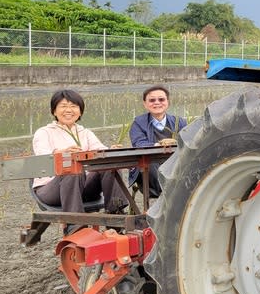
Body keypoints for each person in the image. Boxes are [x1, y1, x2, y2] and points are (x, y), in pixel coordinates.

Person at [32, 89, 129, 233]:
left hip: (83, 186)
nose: (68, 110)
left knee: (109, 166)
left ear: (80, 111)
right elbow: (43, 155)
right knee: (72, 169)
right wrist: (61, 153)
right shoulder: (44, 132)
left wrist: (110, 150)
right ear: (54, 111)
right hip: (51, 189)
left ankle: (116, 217)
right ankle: (75, 225)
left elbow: (100, 150)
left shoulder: (85, 133)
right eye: (63, 106)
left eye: (73, 106)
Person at [128, 85, 187, 198]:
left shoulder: (180, 122)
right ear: (145, 104)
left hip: (176, 167)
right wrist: (159, 145)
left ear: (168, 102)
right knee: (151, 163)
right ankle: (171, 194)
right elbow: (139, 144)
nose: (157, 103)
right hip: (150, 172)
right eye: (152, 100)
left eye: (161, 99)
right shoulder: (138, 123)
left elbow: (189, 142)